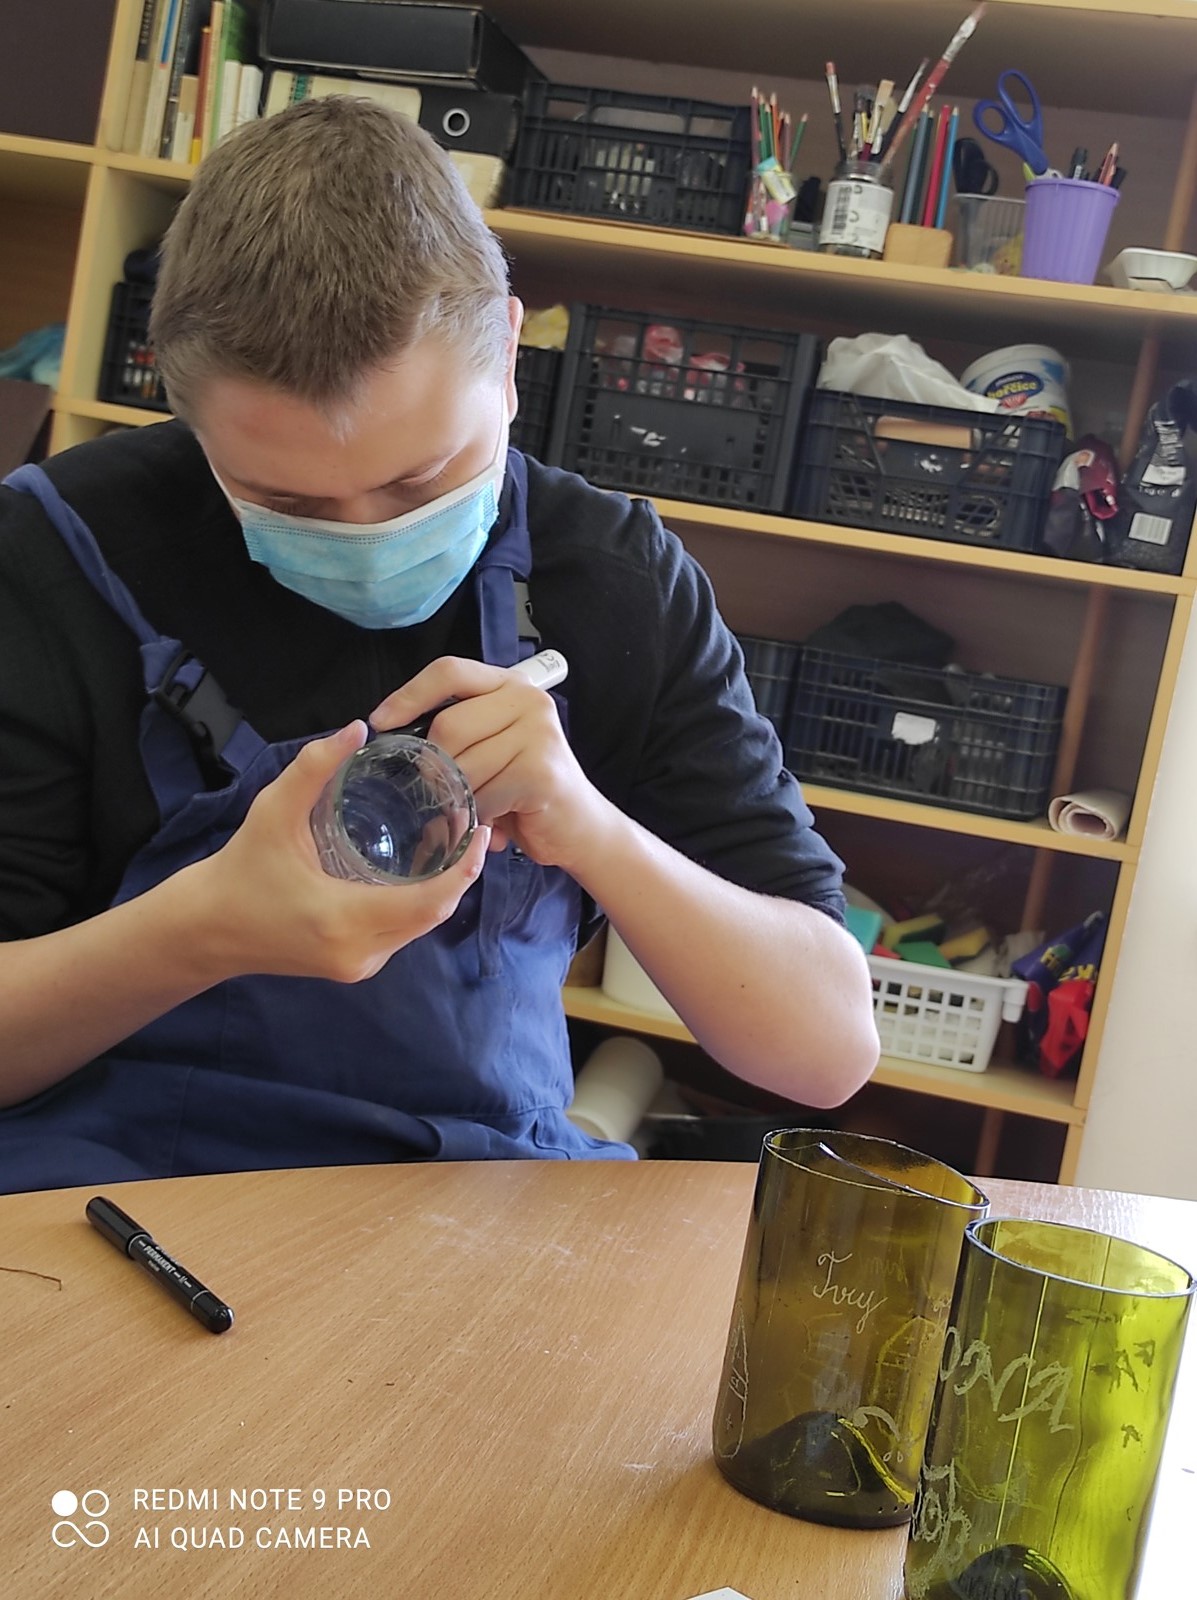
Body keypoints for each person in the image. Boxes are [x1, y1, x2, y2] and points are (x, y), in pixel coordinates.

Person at [0, 99, 877, 1193]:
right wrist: (203, 930)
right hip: (116, 1195)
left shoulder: (617, 577)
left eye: (420, 482)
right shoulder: (56, 553)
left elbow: (824, 1050)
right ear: (187, 414)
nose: (364, 536)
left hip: (478, 1200)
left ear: (507, 353)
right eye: (284, 501)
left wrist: (591, 828)